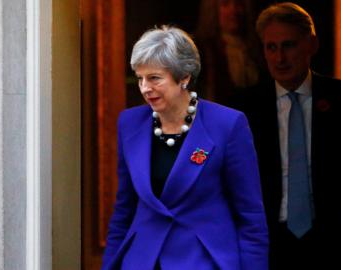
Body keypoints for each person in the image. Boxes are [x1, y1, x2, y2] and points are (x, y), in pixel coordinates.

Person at [101, 25, 268, 270]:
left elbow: (250, 217)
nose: (145, 87)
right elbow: (124, 210)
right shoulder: (129, 123)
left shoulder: (228, 124)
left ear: (184, 77)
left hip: (203, 260)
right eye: (140, 78)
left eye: (155, 78)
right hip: (142, 261)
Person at [232, 2, 341, 269]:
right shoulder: (245, 108)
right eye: (271, 47)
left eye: (289, 45)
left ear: (311, 45)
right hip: (267, 247)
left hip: (332, 246)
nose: (279, 58)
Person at [195, 0, 264, 105]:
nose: (234, 11)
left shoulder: (259, 48)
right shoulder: (203, 51)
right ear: (213, 10)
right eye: (225, 4)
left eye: (239, 4)